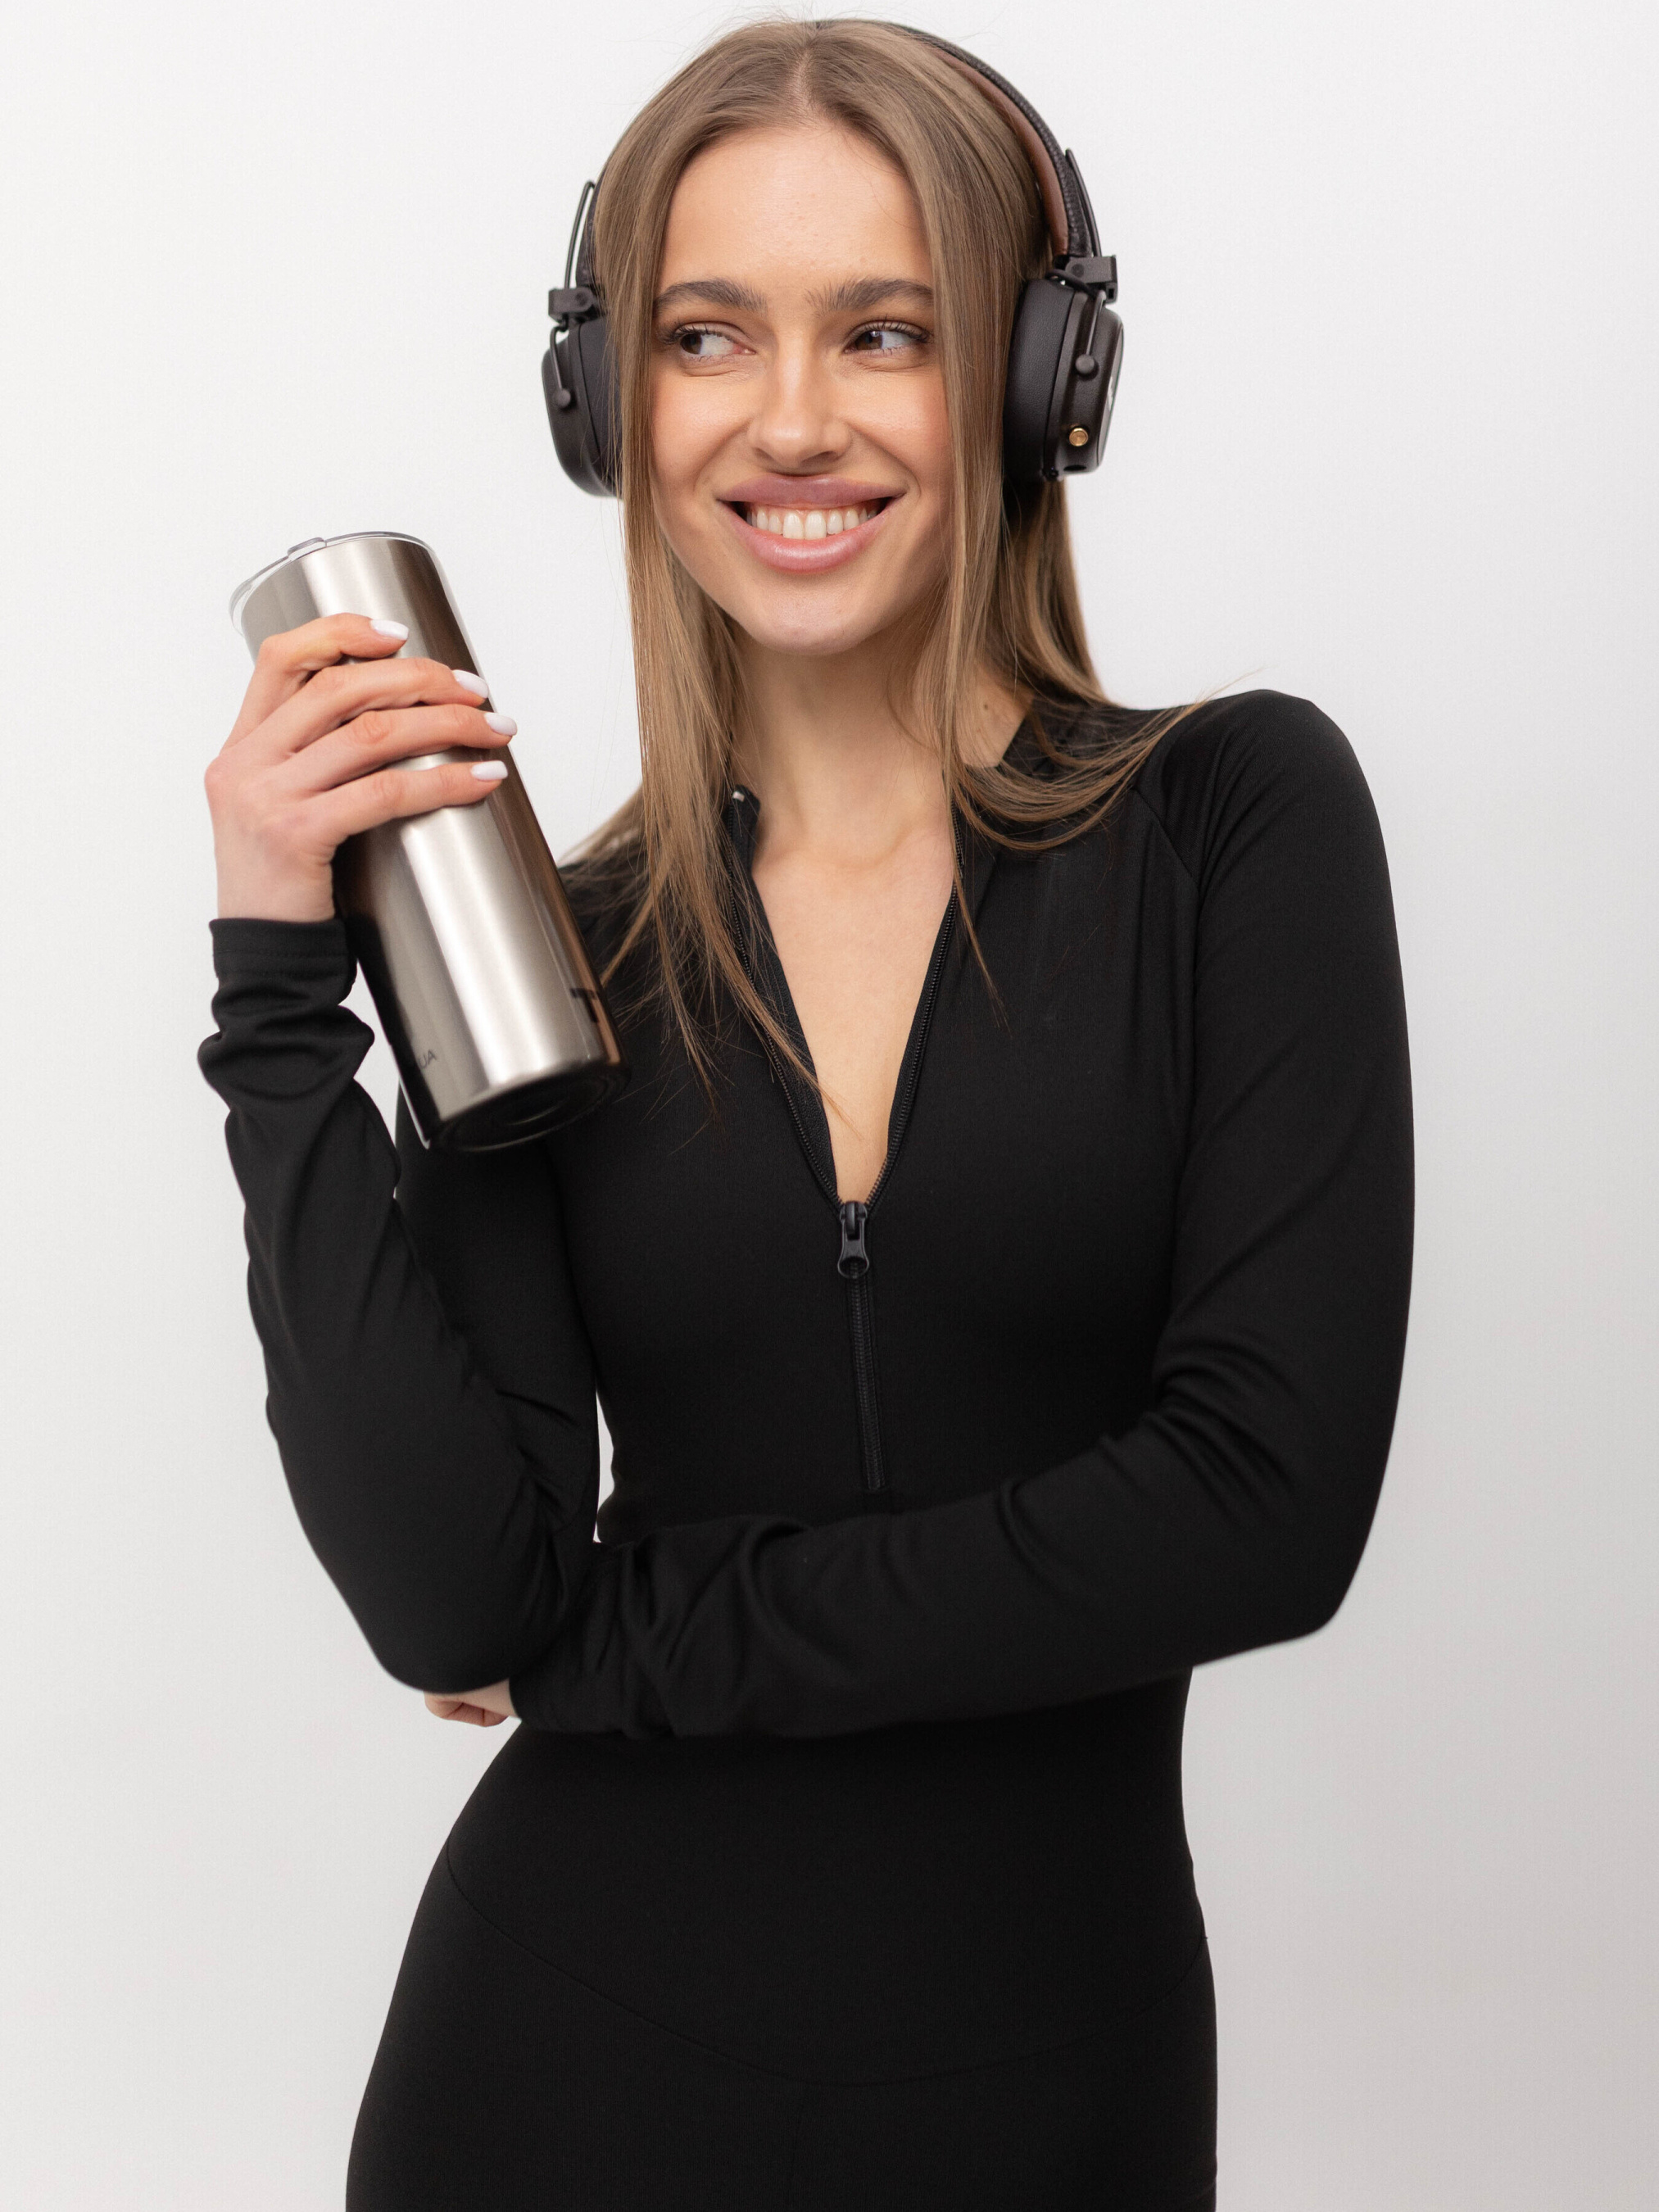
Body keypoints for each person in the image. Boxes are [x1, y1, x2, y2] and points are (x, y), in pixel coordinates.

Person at [198, 19, 1412, 2210]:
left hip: (1051, 2103)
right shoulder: (551, 956)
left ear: (1036, 378)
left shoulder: (1234, 822)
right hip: (552, 2078)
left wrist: (627, 1637)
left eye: (886, 330)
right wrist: (282, 1002)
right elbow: (454, 1598)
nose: (788, 418)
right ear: (610, 405)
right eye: (703, 336)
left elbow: (1260, 1505)